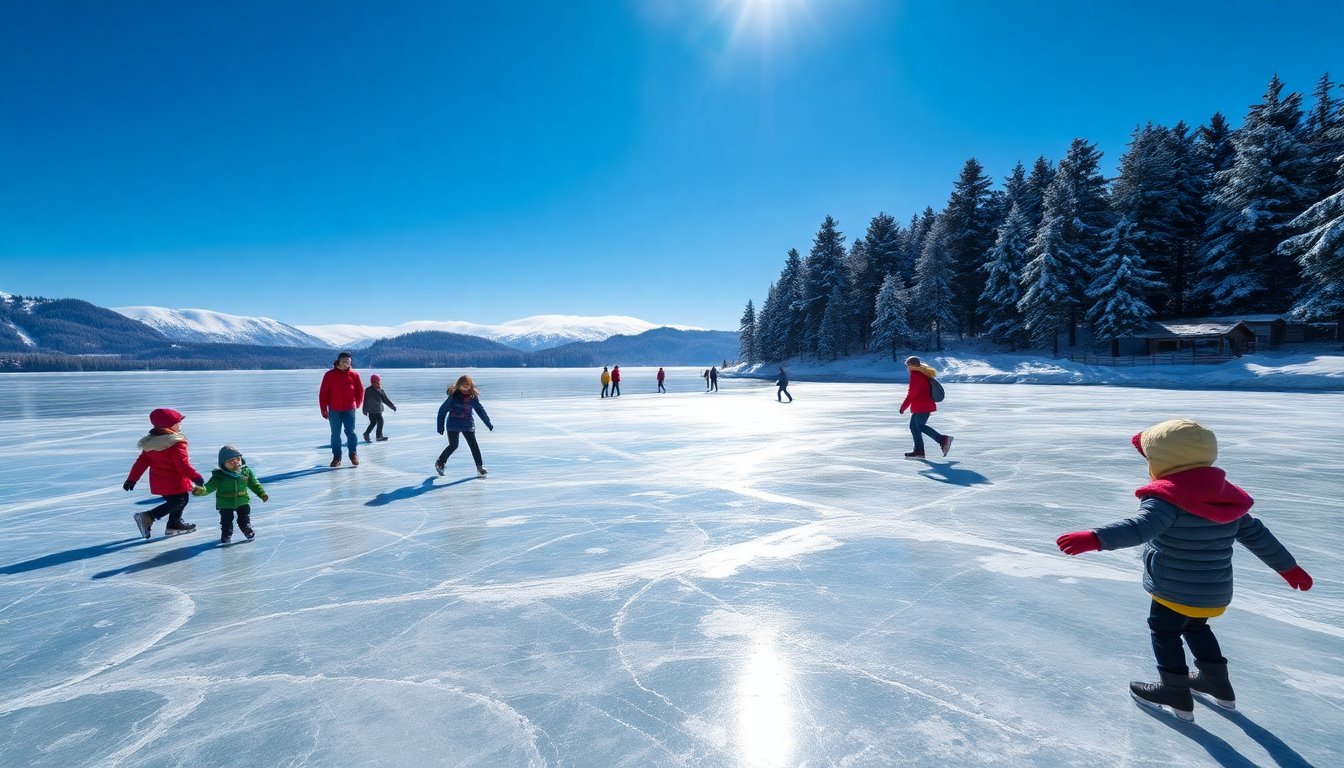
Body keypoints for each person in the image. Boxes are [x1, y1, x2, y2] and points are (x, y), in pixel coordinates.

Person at [1056, 418, 1313, 722]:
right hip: (1213, 590)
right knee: (1196, 627)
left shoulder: (1168, 498)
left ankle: (1174, 692)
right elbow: (1258, 536)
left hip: (1173, 587)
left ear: (1163, 462)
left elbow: (1141, 527)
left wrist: (1096, 538)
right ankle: (1216, 683)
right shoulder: (1226, 495)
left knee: (1164, 631)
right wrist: (1289, 567)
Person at [123, 408, 203, 539]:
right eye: (178, 422)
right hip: (175, 482)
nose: (180, 425)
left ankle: (174, 524)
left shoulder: (151, 444)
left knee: (180, 500)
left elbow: (141, 463)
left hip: (160, 483)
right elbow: (182, 464)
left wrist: (132, 479)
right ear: (170, 425)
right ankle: (149, 516)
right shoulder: (176, 444)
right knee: (179, 501)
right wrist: (195, 477)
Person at [193, 445, 268, 544]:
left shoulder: (246, 471)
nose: (236, 462)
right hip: (225, 503)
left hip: (243, 501)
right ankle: (226, 535)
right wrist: (200, 491)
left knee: (244, 519)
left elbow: (254, 484)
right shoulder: (219, 476)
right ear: (223, 464)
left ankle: (247, 530)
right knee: (226, 522)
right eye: (231, 461)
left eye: (238, 459)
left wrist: (261, 493)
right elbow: (209, 487)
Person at [435, 375, 494, 477]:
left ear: (470, 386)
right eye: (463, 386)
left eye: (467, 386)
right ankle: (440, 463)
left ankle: (480, 467)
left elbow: (480, 410)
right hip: (453, 424)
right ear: (459, 386)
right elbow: (442, 411)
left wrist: (487, 423)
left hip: (467, 424)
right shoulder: (453, 397)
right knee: (453, 445)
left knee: (473, 445)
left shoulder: (472, 397)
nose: (465, 389)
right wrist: (440, 426)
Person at [898, 355, 951, 459]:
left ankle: (942, 440)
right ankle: (919, 450)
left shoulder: (916, 375)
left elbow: (912, 394)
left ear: (912, 366)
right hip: (923, 405)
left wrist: (903, 407)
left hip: (922, 406)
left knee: (919, 426)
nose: (907, 368)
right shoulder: (922, 374)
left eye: (908, 366)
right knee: (914, 427)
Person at [319, 352, 363, 467]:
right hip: (334, 410)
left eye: (348, 362)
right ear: (338, 361)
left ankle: (353, 454)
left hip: (349, 409)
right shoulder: (329, 375)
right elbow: (323, 394)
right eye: (344, 362)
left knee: (351, 432)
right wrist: (323, 409)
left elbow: (360, 391)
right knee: (335, 434)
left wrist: (357, 403)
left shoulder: (354, 374)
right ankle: (337, 457)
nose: (346, 364)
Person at [362, 374, 397, 442]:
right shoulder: (368, 390)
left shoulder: (381, 390)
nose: (377, 384)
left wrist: (392, 406)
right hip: (371, 411)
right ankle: (366, 434)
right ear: (372, 383)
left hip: (379, 410)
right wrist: (364, 410)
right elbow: (365, 400)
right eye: (374, 383)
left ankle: (379, 436)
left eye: (378, 382)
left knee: (381, 421)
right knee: (373, 423)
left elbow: (385, 400)